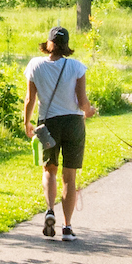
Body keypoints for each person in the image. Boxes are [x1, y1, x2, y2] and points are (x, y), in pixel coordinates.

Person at [23, 25, 95, 241]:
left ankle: (50, 211)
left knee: (49, 170)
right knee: (69, 177)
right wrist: (90, 110)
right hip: (73, 123)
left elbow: (30, 99)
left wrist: (26, 122)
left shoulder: (35, 65)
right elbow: (82, 103)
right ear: (66, 45)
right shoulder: (76, 67)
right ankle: (67, 227)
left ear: (49, 43)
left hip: (48, 124)